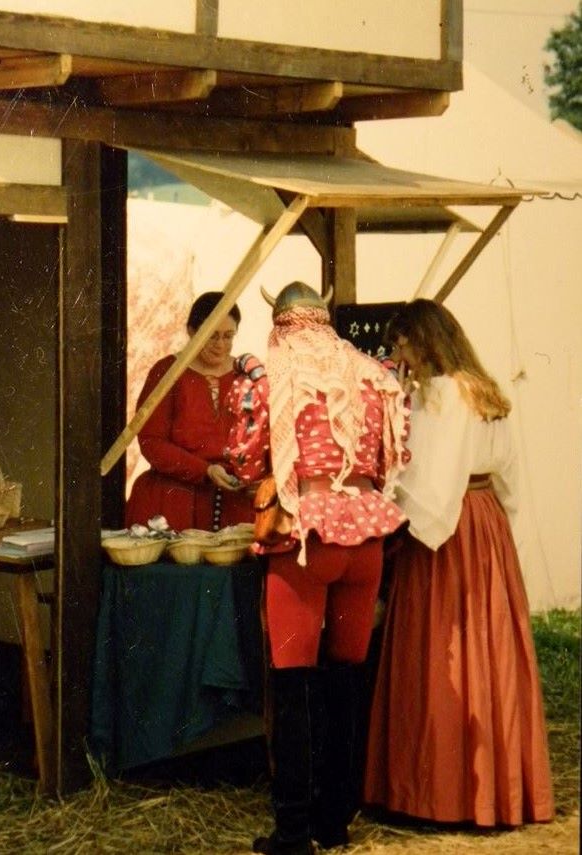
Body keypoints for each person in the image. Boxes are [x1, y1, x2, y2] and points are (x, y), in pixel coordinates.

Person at [225, 282, 409, 855]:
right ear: (325, 321)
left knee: (294, 677)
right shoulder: (373, 374)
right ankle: (336, 820)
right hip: (366, 533)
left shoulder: (271, 374)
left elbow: (245, 456)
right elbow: (394, 455)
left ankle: (293, 831)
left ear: (280, 323)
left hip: (305, 535)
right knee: (347, 676)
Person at [364, 298, 555, 827]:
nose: (397, 353)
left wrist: (393, 512)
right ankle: (497, 791)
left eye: (402, 343)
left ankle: (439, 795)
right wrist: (497, 531)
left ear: (424, 341)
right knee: (488, 652)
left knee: (443, 650)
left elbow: (432, 479)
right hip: (485, 521)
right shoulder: (485, 388)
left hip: (447, 533)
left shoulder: (444, 394)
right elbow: (508, 478)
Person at [126, 291, 253, 532]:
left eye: (228, 336)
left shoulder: (246, 375)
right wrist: (203, 470)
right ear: (191, 332)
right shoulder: (167, 372)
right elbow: (151, 442)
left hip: (233, 501)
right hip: (173, 501)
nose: (221, 345)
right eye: (212, 336)